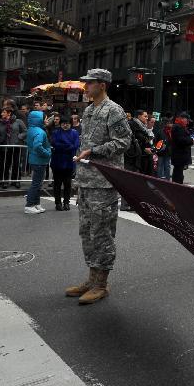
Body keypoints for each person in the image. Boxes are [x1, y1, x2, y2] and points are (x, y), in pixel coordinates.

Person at [66, 69, 131, 305]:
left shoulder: (113, 110)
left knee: (101, 232)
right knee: (86, 231)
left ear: (102, 85)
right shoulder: (90, 110)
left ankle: (101, 284)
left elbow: (124, 142)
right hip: (86, 180)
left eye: (89, 83)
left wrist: (94, 151)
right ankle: (92, 278)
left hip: (103, 183)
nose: (85, 87)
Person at [24, 110, 52, 214]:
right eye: (45, 118)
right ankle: (29, 205)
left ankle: (36, 204)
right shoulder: (40, 131)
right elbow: (37, 146)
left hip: (35, 160)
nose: (46, 120)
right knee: (36, 184)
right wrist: (47, 153)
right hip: (39, 160)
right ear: (39, 119)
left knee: (37, 183)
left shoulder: (32, 129)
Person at [50, 116, 80, 210]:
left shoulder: (74, 133)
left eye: (67, 123)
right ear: (60, 124)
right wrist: (68, 145)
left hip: (69, 162)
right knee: (57, 184)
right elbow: (54, 143)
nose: (65, 125)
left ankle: (66, 202)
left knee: (67, 184)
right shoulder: (56, 132)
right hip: (57, 161)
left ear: (70, 124)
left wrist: (63, 145)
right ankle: (58, 203)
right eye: (63, 123)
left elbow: (76, 145)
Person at [0, 108, 26, 188]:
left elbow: (25, 131)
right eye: (2, 112)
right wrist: (1, 139)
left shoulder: (18, 121)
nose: (2, 114)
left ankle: (16, 181)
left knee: (16, 164)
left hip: (16, 146)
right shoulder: (0, 124)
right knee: (6, 164)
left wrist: (19, 137)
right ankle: (5, 181)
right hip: (5, 147)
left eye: (4, 112)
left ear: (9, 113)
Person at [169, 114, 193, 185]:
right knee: (178, 173)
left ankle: (177, 185)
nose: (188, 122)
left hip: (179, 155)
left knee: (178, 172)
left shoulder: (179, 126)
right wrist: (191, 140)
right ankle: (177, 186)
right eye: (187, 120)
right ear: (182, 119)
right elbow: (180, 140)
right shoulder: (178, 127)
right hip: (179, 155)